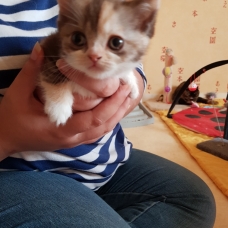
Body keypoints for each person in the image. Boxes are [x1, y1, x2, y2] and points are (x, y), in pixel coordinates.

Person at [0, 1, 216, 227]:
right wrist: (6, 135)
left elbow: (133, 61)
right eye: (79, 40)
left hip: (101, 162)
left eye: (115, 42)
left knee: (192, 200)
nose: (95, 54)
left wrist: (131, 76)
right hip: (21, 170)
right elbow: (51, 57)